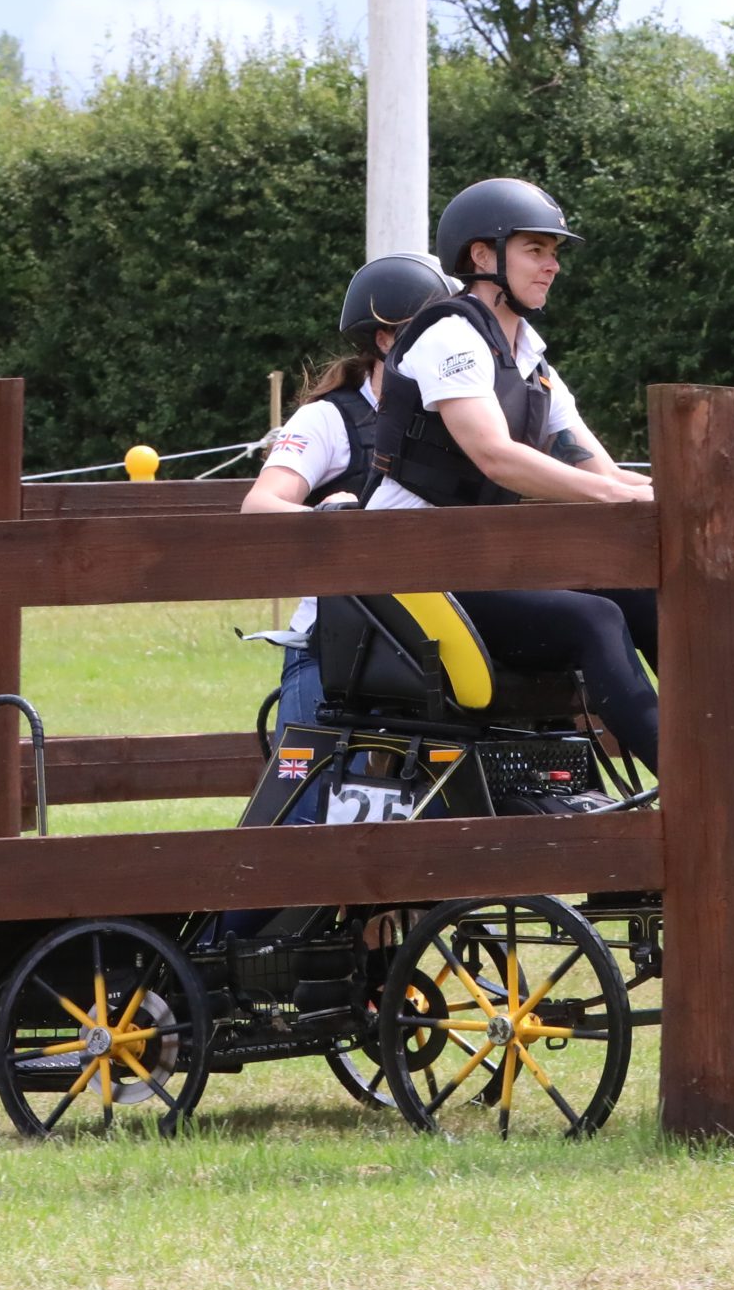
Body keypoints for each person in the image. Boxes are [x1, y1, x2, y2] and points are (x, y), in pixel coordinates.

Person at [364, 177, 664, 770]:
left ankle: (725, 744)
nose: (553, 265)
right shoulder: (450, 336)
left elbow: (601, 468)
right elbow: (495, 455)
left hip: (480, 565)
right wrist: (613, 493)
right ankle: (695, 782)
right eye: (535, 249)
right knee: (594, 617)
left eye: (554, 252)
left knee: (636, 592)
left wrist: (680, 497)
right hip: (410, 575)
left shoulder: (532, 360)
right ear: (482, 256)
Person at [243, 251, 453, 820]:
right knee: (305, 814)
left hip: (429, 644)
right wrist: (330, 523)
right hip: (334, 647)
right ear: (385, 340)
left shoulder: (458, 417)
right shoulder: (329, 418)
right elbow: (260, 505)